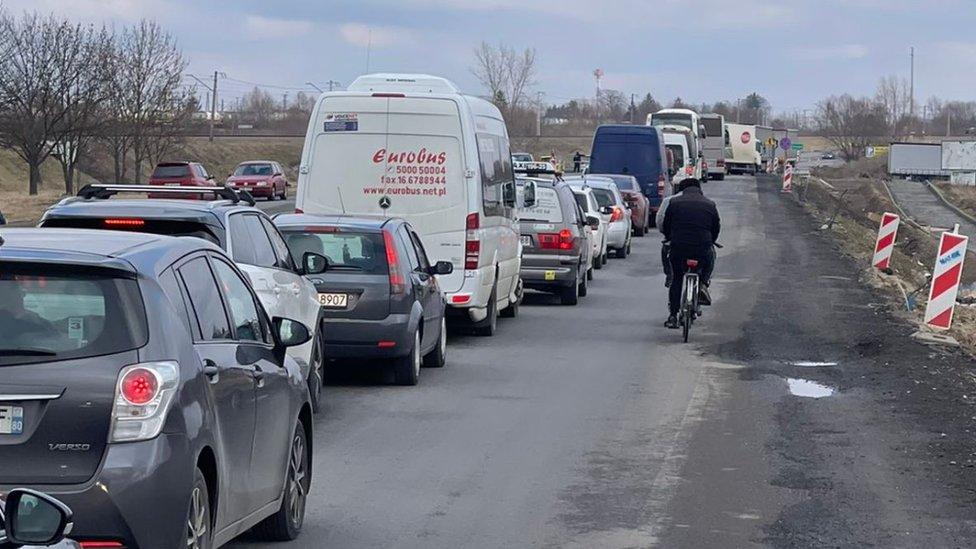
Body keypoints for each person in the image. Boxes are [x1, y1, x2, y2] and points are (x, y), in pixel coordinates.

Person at [661, 178, 720, 329]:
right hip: (702, 248)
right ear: (699, 188)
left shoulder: (674, 204)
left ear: (682, 189)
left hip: (679, 247)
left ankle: (673, 316)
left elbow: (666, 225)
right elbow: (715, 228)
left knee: (677, 279)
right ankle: (703, 284)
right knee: (710, 258)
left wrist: (669, 238)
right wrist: (710, 241)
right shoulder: (709, 204)